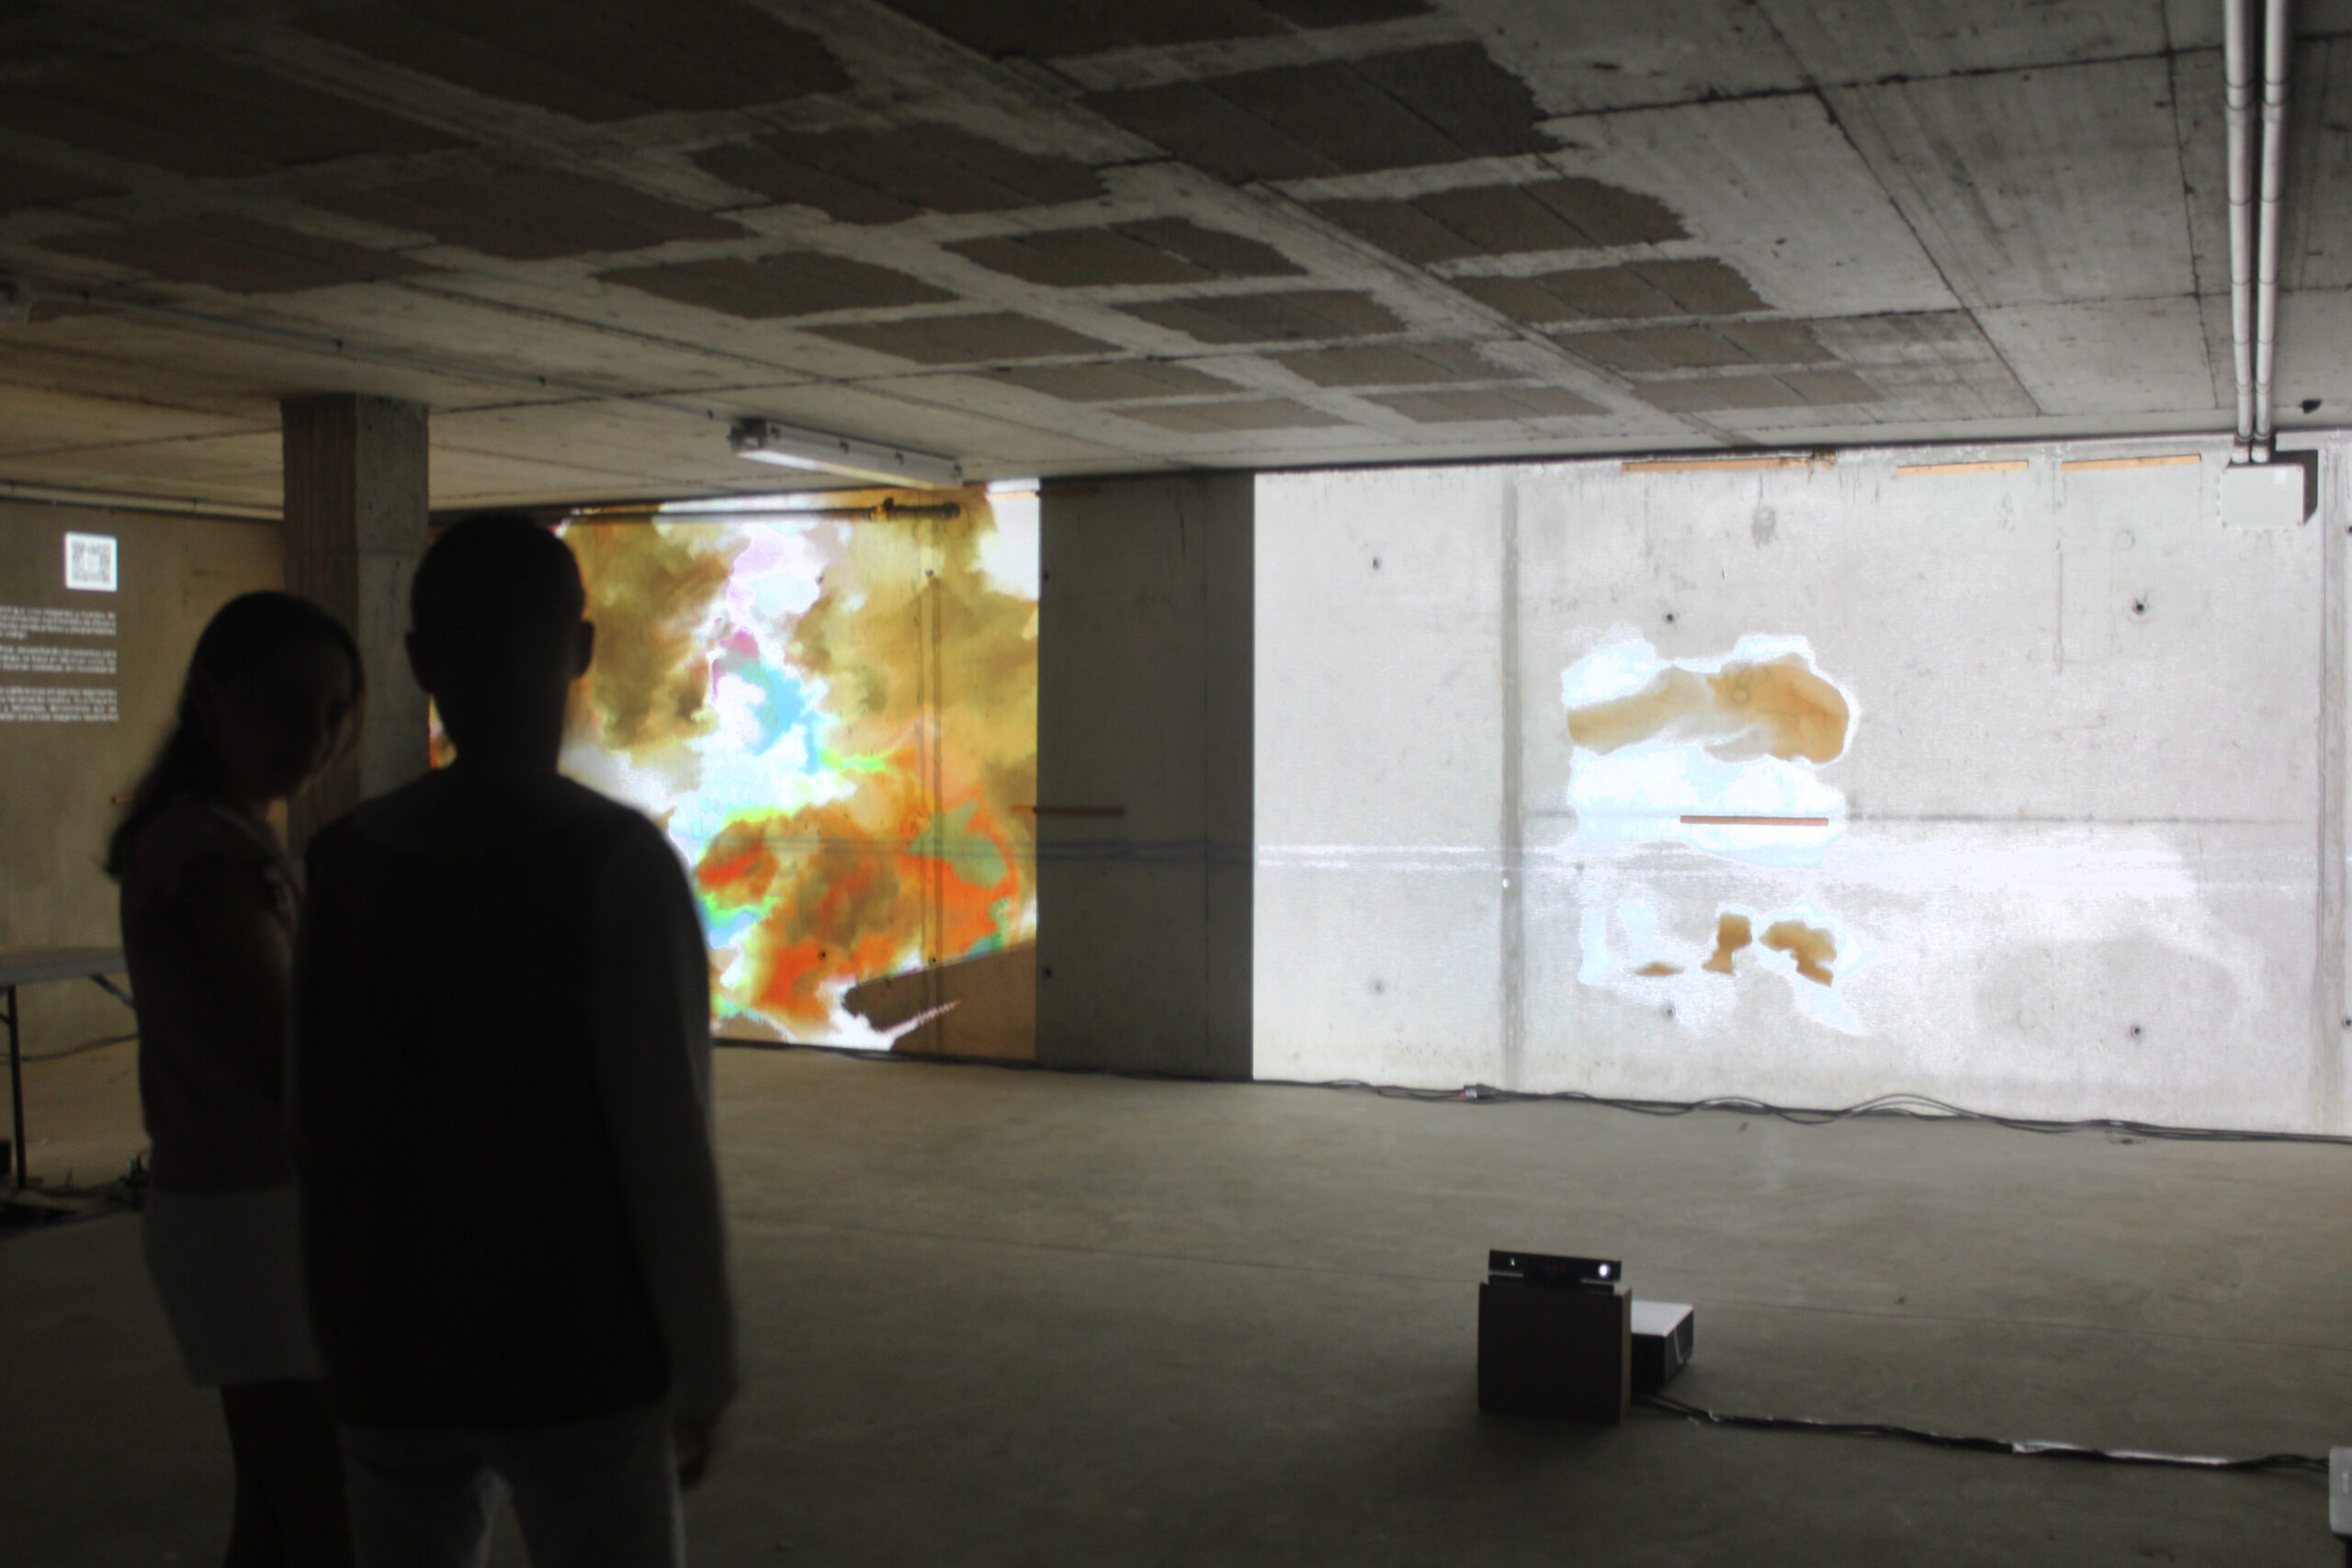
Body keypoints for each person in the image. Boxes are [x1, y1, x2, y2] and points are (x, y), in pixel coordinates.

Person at [290, 514, 735, 1568]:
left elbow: (313, 1125)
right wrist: (704, 1364)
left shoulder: (346, 863)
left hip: (393, 1345)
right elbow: (665, 1139)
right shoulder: (617, 864)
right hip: (576, 1346)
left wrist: (331, 1332)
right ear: (578, 650)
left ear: (417, 661)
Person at [108, 591, 364, 1568]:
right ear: (211, 697)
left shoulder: (210, 834)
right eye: (285, 707)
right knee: (320, 1511)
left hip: (227, 1206)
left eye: (332, 714)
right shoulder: (214, 854)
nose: (314, 738)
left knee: (273, 1508)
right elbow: (286, 1046)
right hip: (248, 1213)